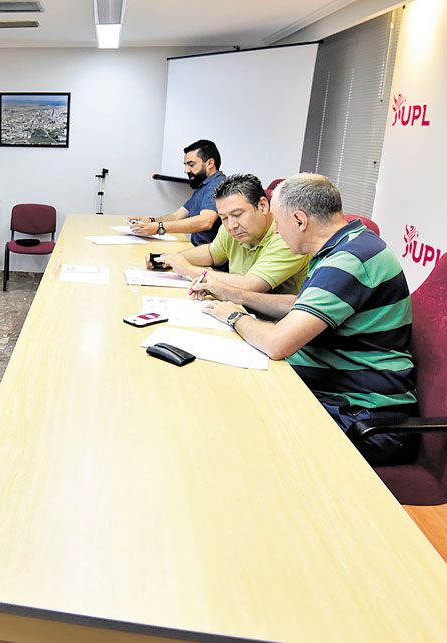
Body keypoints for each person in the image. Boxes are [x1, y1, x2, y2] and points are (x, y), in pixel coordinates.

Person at [201, 174, 417, 465]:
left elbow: (278, 344)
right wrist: (236, 295)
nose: (276, 231)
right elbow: (300, 305)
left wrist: (234, 316)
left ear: (300, 220)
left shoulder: (350, 260)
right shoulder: (345, 243)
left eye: (278, 223)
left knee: (239, 435)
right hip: (337, 394)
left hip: (364, 416)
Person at [157, 173, 307, 296]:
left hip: (273, 322)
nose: (231, 225)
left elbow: (250, 285)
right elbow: (212, 254)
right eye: (224, 217)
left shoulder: (287, 236)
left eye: (237, 214)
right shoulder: (231, 226)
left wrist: (189, 270)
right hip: (238, 307)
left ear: (262, 206)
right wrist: (170, 259)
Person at [127, 139, 225, 245]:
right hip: (198, 250)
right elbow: (176, 216)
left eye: (191, 165)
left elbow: (205, 221)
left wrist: (159, 227)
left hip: (209, 256)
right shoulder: (203, 186)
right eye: (185, 165)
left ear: (210, 163)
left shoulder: (217, 184)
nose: (186, 170)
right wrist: (149, 220)